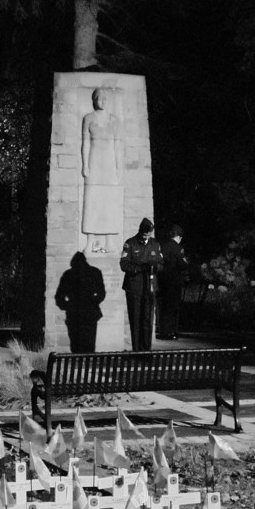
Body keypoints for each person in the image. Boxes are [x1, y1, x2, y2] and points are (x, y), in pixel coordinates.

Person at [81, 87, 124, 253]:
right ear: (94, 100)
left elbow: (118, 146)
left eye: (106, 98)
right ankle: (90, 241)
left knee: (109, 201)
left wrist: (119, 167)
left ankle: (110, 241)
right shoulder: (88, 118)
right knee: (92, 200)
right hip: (94, 161)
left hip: (109, 163)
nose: (103, 101)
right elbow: (85, 143)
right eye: (100, 98)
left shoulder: (114, 121)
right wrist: (85, 165)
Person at [120, 218, 163, 351]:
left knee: (147, 319)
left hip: (149, 286)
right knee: (136, 319)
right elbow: (124, 264)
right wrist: (140, 268)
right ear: (140, 232)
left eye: (149, 235)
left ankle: (146, 350)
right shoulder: (130, 243)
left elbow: (161, 263)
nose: (146, 238)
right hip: (134, 287)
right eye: (144, 235)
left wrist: (155, 267)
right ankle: (137, 350)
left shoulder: (154, 244)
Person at [55, 252, 106, 352]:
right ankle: (87, 363)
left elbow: (59, 296)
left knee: (76, 343)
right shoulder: (94, 272)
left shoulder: (69, 274)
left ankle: (80, 364)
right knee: (88, 342)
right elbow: (101, 293)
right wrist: (93, 302)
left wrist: (67, 306)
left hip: (78, 311)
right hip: (84, 311)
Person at [157, 224, 189, 340]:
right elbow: (182, 264)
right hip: (174, 281)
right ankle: (171, 331)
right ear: (179, 237)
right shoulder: (178, 248)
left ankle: (163, 330)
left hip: (163, 280)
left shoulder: (163, 246)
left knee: (164, 306)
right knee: (173, 307)